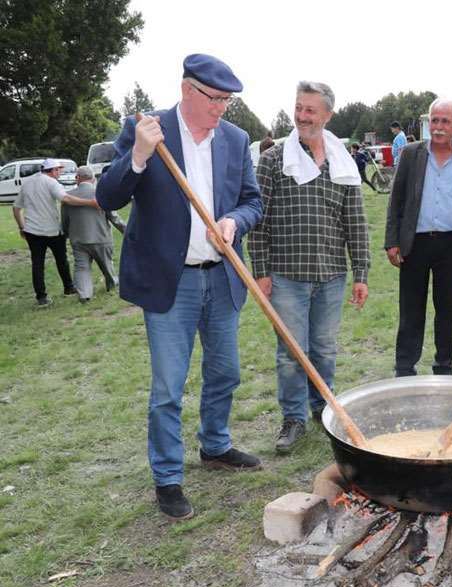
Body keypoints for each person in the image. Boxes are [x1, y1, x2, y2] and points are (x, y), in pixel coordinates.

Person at [96, 53, 264, 521]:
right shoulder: (148, 131)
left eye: (227, 101)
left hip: (222, 275)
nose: (222, 109)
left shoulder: (235, 139)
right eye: (215, 99)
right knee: (169, 388)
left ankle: (215, 445)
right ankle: (168, 478)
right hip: (172, 284)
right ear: (188, 89)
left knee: (225, 372)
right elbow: (107, 197)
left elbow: (253, 201)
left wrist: (233, 221)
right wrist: (139, 156)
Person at [248, 81, 370, 454]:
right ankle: (293, 418)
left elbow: (356, 222)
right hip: (286, 275)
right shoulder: (273, 160)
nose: (302, 116)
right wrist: (262, 271)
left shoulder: (343, 162)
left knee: (324, 348)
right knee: (290, 351)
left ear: (327, 115)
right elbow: (258, 219)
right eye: (298, 108)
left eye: (310, 110)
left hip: (332, 275)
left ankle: (322, 408)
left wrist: (360, 273)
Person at [384, 98, 452, 377]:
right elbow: (396, 201)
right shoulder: (411, 155)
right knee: (410, 311)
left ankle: (444, 369)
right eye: (435, 121)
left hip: (451, 246)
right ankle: (404, 369)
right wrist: (392, 241)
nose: (439, 127)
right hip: (414, 245)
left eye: (445, 121)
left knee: (446, 311)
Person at [12, 159, 97, 306]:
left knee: (37, 264)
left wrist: (22, 227)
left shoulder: (28, 182)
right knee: (61, 259)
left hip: (32, 231)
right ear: (52, 171)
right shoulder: (52, 183)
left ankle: (41, 297)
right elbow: (66, 198)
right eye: (59, 170)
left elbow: (16, 207)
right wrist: (91, 203)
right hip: (52, 230)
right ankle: (69, 288)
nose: (60, 172)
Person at [61, 166, 126, 302]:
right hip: (101, 237)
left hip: (78, 239)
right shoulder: (100, 194)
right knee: (107, 265)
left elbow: (65, 219)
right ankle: (112, 285)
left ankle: (85, 295)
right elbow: (113, 217)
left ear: (77, 178)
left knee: (81, 267)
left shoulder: (68, 196)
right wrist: (126, 230)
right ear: (93, 178)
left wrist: (66, 233)